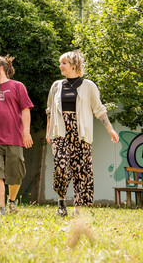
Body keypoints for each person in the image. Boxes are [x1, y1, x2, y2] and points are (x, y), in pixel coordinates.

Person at [46, 50, 119, 217]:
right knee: (61, 167)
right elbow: (49, 110)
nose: (61, 66)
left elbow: (99, 110)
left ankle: (77, 208)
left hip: (81, 133)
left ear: (74, 65)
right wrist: (48, 131)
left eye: (63, 63)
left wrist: (110, 129)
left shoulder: (89, 86)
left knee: (81, 170)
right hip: (60, 132)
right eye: (61, 63)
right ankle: (61, 201)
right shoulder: (56, 86)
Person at [0, 55, 34, 215]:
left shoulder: (17, 86)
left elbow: (25, 110)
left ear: (0, 68)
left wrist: (26, 132)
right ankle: (1, 208)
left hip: (14, 137)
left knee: (15, 175)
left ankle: (12, 200)